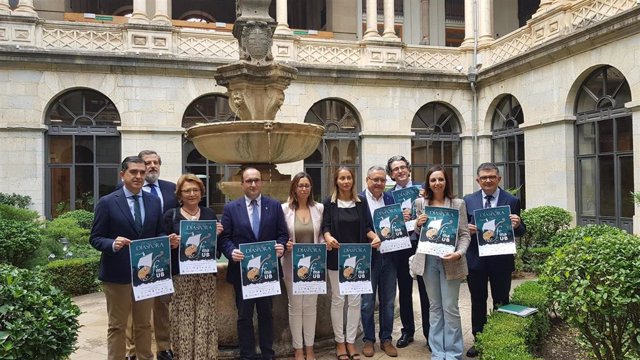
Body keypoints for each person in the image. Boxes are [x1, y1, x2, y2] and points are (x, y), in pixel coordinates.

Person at [89, 156, 165, 360]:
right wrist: (113, 243)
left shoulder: (153, 201)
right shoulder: (107, 203)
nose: (139, 176)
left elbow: (158, 233)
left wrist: (167, 240)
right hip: (117, 275)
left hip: (146, 275)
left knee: (144, 324)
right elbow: (95, 238)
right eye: (134, 172)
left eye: (142, 172)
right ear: (122, 174)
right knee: (117, 326)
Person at [218, 167, 288, 360]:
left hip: (267, 271)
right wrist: (231, 251)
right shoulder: (232, 208)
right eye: (248, 181)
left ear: (262, 183)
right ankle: (247, 354)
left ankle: (268, 353)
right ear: (242, 184)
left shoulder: (274, 206)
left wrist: (281, 246)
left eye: (256, 180)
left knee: (267, 314)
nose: (253, 184)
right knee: (244, 316)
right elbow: (224, 238)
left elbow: (282, 234)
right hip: (242, 272)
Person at [463, 163, 526, 358]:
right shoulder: (468, 200)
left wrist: (517, 224)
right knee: (478, 301)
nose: (488, 180)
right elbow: (461, 230)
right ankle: (479, 340)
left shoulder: (512, 200)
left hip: (501, 261)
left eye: (492, 177)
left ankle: (501, 338)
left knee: (501, 300)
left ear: (499, 179)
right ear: (478, 180)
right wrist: (468, 228)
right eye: (484, 177)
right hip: (476, 261)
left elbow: (522, 231)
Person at [410, 165, 470, 360]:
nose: (437, 183)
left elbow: (464, 234)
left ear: (446, 182)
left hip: (451, 261)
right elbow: (418, 235)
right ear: (428, 183)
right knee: (435, 306)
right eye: (433, 180)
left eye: (440, 179)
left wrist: (459, 254)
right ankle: (437, 352)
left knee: (450, 306)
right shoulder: (420, 203)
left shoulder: (457, 204)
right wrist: (418, 225)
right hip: (428, 261)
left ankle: (453, 353)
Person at [322, 167, 381, 360]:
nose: (346, 181)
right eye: (342, 178)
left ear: (353, 180)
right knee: (338, 301)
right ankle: (340, 342)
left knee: (355, 301)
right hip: (336, 258)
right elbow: (326, 227)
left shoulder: (360, 202)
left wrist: (375, 237)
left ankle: (351, 341)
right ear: (336, 181)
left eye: (348, 178)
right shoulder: (329, 203)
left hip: (358, 258)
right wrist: (328, 237)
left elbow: (366, 227)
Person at [162, 173, 223, 360]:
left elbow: (216, 251)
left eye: (195, 190)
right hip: (181, 276)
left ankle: (205, 356)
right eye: (186, 190)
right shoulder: (170, 215)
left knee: (205, 317)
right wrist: (170, 242)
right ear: (179, 194)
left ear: (201, 193)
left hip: (205, 275)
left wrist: (217, 235)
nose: (191, 194)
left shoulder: (209, 214)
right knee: (183, 317)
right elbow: (161, 246)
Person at [125, 150, 177, 360]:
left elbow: (170, 221)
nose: (152, 166)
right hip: (135, 258)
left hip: (163, 256)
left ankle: (164, 346)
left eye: (156, 162)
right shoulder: (126, 190)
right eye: (148, 163)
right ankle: (132, 350)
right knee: (133, 307)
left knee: (162, 304)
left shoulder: (171, 189)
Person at [386, 155, 430, 349]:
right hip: (401, 246)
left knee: (426, 289)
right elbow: (385, 224)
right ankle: (408, 331)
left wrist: (424, 200)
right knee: (404, 290)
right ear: (391, 175)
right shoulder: (388, 197)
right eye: (395, 169)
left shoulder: (424, 189)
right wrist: (397, 217)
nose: (400, 171)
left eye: (403, 167)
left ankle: (430, 333)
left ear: (409, 169)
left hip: (422, 244)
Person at [281, 172, 324, 360]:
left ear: (311, 188)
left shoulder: (320, 208)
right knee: (295, 306)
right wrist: (285, 244)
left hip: (314, 266)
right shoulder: (284, 209)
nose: (304, 189)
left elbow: (322, 233)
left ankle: (310, 348)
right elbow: (280, 234)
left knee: (311, 306)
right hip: (291, 264)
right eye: (300, 185)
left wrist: (323, 243)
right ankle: (298, 348)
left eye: (307, 185)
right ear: (294, 188)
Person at [359, 166, 398, 358]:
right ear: (367, 180)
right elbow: (359, 226)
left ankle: (386, 339)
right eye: (375, 180)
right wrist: (370, 237)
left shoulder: (390, 199)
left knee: (388, 301)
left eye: (382, 180)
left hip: (389, 257)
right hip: (368, 257)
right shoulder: (358, 200)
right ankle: (368, 340)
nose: (379, 183)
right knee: (367, 302)